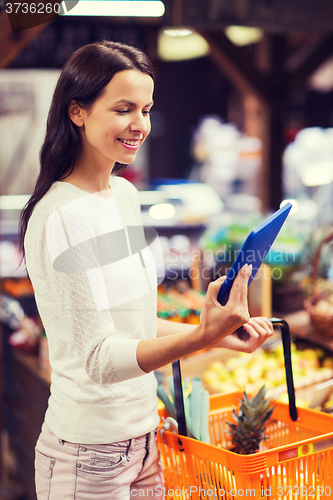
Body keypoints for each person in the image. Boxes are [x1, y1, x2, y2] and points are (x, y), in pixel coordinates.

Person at [19, 40, 274, 500]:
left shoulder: (124, 196)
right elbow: (99, 358)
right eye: (123, 109)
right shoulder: (62, 215)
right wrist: (198, 338)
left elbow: (130, 324)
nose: (140, 125)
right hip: (88, 456)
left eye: (146, 109)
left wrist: (214, 334)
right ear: (77, 112)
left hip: (145, 441)